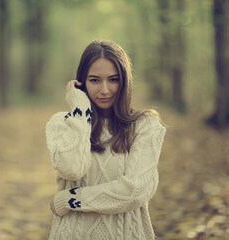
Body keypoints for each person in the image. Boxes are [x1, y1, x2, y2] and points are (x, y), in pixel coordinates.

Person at [45, 40, 166, 239]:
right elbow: (72, 169)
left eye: (113, 79)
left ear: (125, 81)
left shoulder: (146, 126)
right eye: (94, 80)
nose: (104, 90)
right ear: (81, 82)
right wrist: (81, 110)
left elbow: (134, 191)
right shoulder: (62, 124)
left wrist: (71, 199)